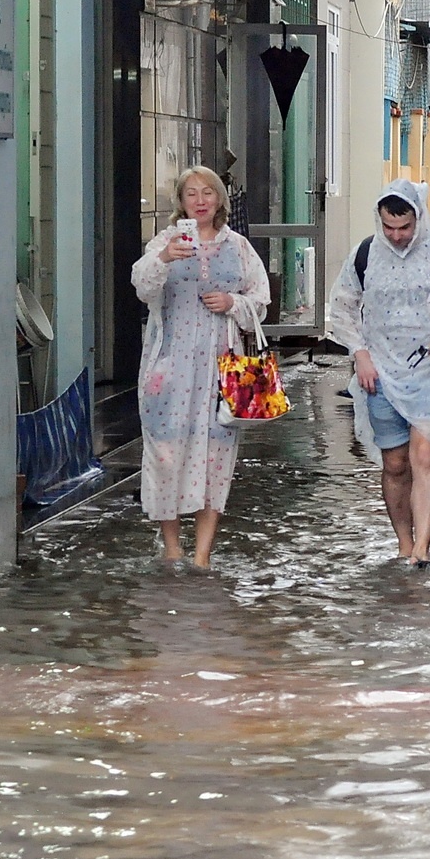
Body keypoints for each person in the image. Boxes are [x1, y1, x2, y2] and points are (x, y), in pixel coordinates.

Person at [131, 166, 271, 568]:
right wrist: (163, 257)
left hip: (220, 371)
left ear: (220, 199)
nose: (200, 200)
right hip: (168, 369)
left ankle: (202, 555)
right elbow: (142, 288)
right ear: (180, 201)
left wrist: (233, 304)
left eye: (208, 192)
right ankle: (172, 548)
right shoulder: (164, 241)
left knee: (215, 458)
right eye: (191, 194)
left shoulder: (239, 247)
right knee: (166, 456)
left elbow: (259, 301)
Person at [329, 178, 430, 567]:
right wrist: (359, 353)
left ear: (419, 218)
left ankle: (422, 548)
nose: (397, 236)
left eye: (405, 227)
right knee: (395, 463)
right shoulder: (364, 254)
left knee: (425, 455)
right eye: (389, 227)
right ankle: (403, 541)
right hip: (380, 372)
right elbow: (342, 307)